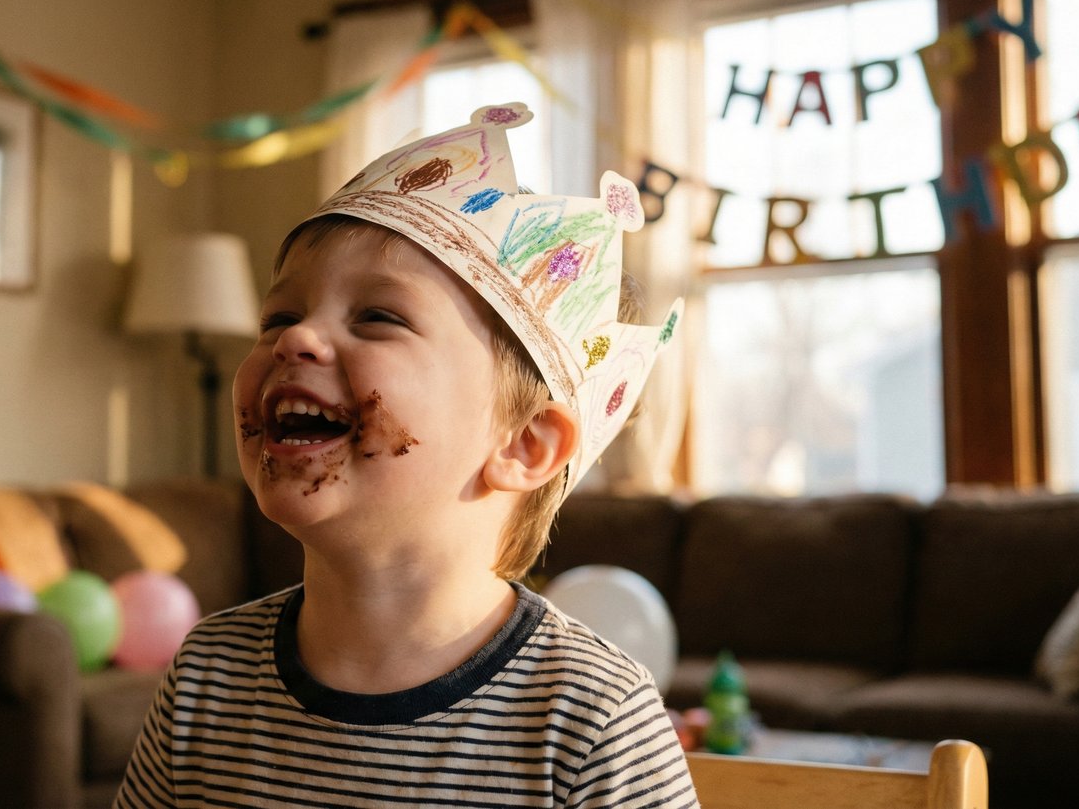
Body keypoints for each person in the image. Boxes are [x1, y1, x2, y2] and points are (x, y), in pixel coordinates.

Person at [114, 103, 694, 808]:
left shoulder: (590, 717)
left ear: (521, 443)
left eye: (377, 317)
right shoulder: (206, 677)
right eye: (279, 316)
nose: (296, 340)